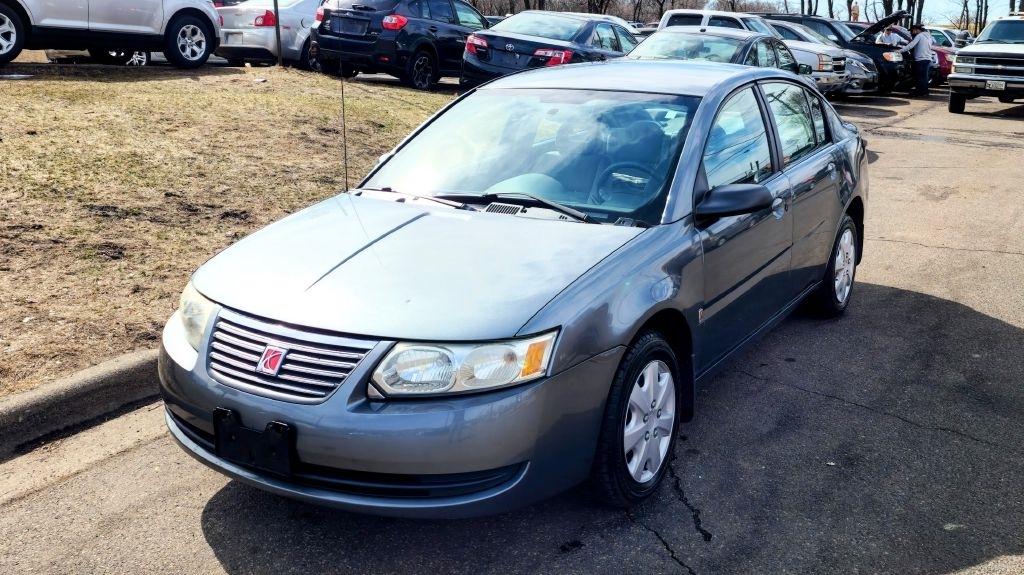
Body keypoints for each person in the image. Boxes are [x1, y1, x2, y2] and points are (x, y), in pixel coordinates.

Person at [900, 24, 934, 97]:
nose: (912, 32)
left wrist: (900, 51)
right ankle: (925, 92)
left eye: (912, 31)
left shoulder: (919, 36)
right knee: (924, 77)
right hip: (927, 59)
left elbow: (911, 45)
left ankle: (920, 92)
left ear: (916, 29)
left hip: (920, 59)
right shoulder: (929, 36)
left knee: (919, 77)